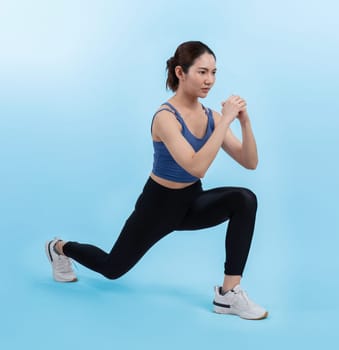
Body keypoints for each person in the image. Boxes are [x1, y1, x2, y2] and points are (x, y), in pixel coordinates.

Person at [45, 41, 268, 320]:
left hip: (190, 202)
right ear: (180, 72)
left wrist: (244, 122)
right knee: (113, 268)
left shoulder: (211, 117)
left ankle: (228, 295)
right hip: (157, 207)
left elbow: (250, 162)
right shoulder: (166, 117)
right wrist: (225, 122)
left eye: (213, 72)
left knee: (244, 200)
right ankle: (59, 247)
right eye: (201, 72)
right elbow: (196, 166)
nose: (209, 80)